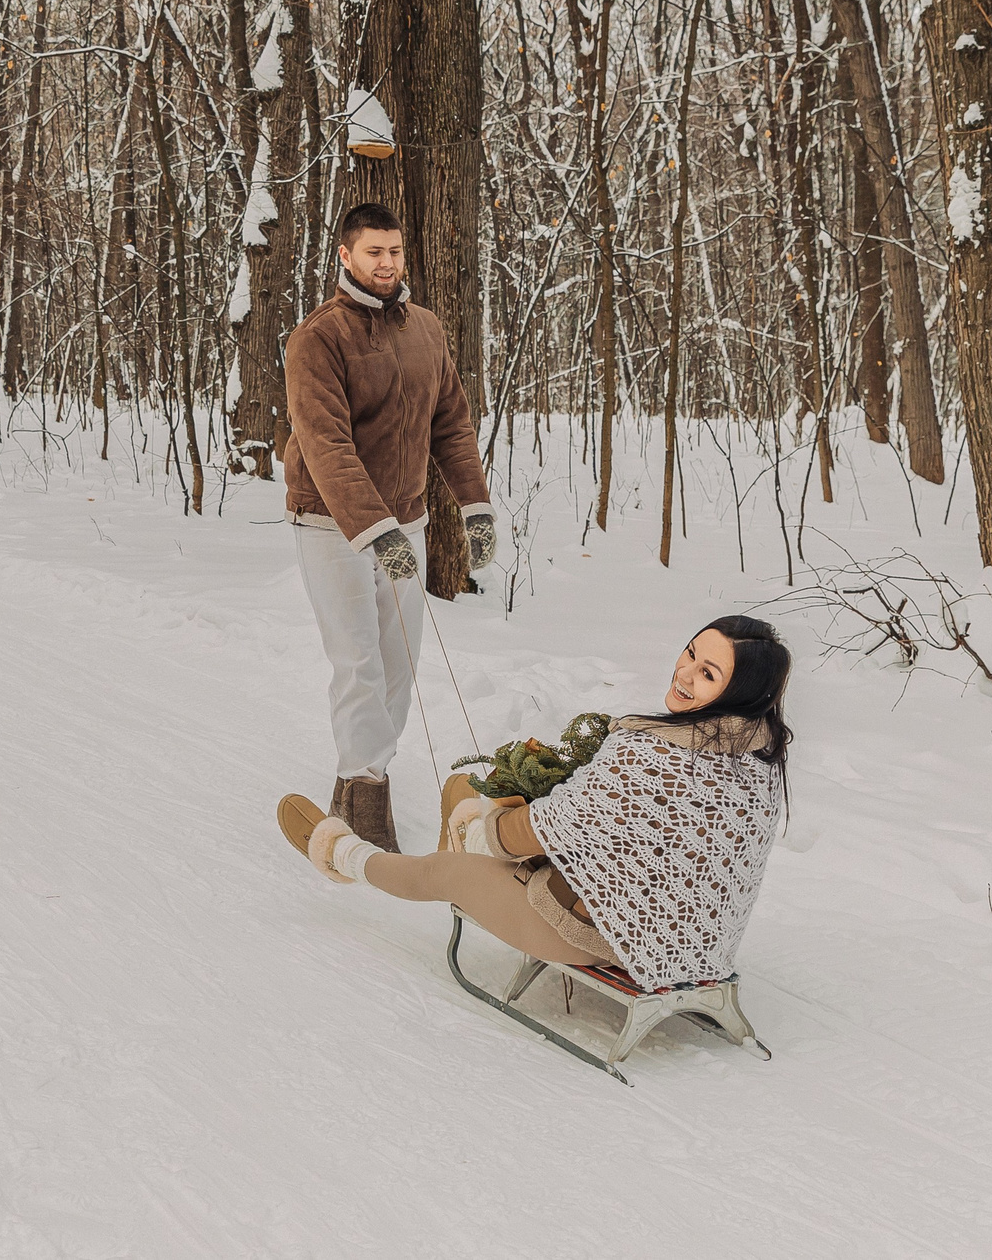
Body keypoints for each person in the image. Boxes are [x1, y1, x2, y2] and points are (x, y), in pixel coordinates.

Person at [274, 616, 792, 992]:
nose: (684, 672)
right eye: (690, 653)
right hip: (696, 946)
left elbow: (530, 832)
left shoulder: (653, 753)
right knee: (476, 805)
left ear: (736, 693)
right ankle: (463, 828)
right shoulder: (760, 760)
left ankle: (341, 855)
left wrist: (491, 829)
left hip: (606, 936)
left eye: (707, 674)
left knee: (444, 871)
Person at [282, 202, 497, 853]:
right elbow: (327, 445)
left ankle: (356, 786)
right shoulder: (318, 338)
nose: (386, 263)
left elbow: (452, 424)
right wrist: (376, 531)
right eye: (373, 251)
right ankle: (367, 799)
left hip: (408, 519)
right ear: (344, 256)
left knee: (401, 666)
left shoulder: (425, 330)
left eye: (395, 251)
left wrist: (474, 506)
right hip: (330, 523)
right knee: (359, 662)